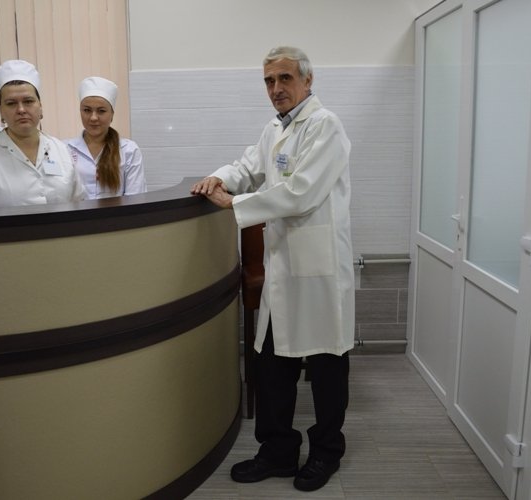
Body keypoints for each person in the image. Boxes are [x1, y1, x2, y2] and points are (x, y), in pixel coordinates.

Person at [191, 46, 355, 493]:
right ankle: (279, 452)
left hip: (318, 269)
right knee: (273, 364)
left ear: (307, 80)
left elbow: (301, 192)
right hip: (283, 267)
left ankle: (326, 452)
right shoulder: (275, 128)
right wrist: (219, 178)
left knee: (326, 365)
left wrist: (235, 203)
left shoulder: (325, 125)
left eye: (285, 78)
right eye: (269, 80)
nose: (276, 88)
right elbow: (248, 166)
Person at [0, 60, 86, 208]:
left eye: (28, 101)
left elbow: (78, 204)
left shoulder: (61, 150)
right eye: (11, 103)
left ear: (40, 106)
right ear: (1, 111)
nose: (21, 110)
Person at [66, 76, 146, 198]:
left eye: (101, 111)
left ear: (112, 114)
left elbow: (135, 199)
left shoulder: (129, 150)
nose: (93, 117)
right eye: (87, 110)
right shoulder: (64, 149)